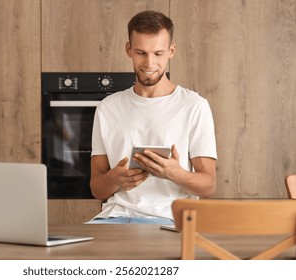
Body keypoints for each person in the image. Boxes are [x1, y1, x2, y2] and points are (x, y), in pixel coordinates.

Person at [87, 10, 217, 224]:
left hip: (172, 219)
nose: (149, 63)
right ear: (128, 49)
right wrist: (113, 179)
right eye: (141, 52)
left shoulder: (195, 106)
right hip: (115, 216)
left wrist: (175, 173)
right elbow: (97, 188)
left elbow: (209, 186)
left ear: (171, 51)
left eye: (158, 53)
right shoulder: (107, 108)